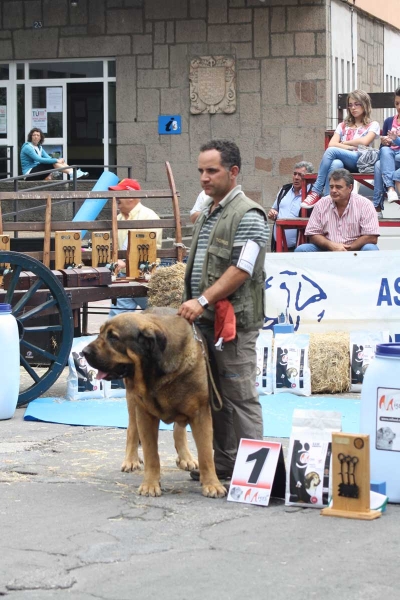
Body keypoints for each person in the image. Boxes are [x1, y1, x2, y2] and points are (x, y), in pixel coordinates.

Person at [178, 139, 269, 481]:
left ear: (233, 172)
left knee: (240, 396)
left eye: (211, 170)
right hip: (205, 324)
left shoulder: (248, 215)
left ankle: (256, 474)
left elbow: (241, 270)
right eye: (201, 170)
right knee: (214, 396)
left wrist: (201, 300)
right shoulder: (209, 212)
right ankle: (225, 462)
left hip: (234, 324)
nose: (204, 177)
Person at [301, 90, 380, 209]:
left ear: (365, 105)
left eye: (357, 104)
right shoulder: (343, 125)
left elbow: (364, 142)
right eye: (350, 105)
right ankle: (328, 201)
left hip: (360, 161)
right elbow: (332, 143)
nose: (353, 108)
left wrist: (344, 143)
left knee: (331, 152)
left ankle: (316, 191)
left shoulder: (373, 124)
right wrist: (349, 147)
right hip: (345, 161)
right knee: (335, 163)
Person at [108, 178, 162, 317]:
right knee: (118, 321)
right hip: (123, 277)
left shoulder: (149, 216)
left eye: (120, 194)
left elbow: (145, 249)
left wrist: (124, 262)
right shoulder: (118, 218)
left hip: (144, 278)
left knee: (155, 318)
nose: (116, 198)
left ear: (131, 196)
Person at [295, 169, 379, 252]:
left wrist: (346, 248)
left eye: (338, 187)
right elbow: (312, 234)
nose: (333, 191)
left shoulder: (365, 204)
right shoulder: (321, 204)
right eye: (331, 187)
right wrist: (331, 246)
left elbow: (371, 236)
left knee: (371, 249)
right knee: (302, 250)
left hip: (356, 250)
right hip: (327, 249)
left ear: (350, 188)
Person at [268, 161, 314, 251]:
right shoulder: (284, 189)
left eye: (300, 175)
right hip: (278, 247)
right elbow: (275, 209)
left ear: (308, 177)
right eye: (294, 174)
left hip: (299, 249)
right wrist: (272, 213)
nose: (296, 177)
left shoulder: (312, 195)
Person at [20, 128, 88, 180]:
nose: (36, 137)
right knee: (53, 162)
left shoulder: (39, 147)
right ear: (30, 137)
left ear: (40, 138)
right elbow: (39, 159)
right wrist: (56, 160)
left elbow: (48, 158)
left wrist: (58, 160)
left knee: (54, 161)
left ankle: (73, 172)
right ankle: (71, 173)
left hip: (37, 172)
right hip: (29, 174)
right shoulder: (27, 147)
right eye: (34, 135)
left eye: (38, 135)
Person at [373, 87, 400, 212]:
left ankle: (377, 206)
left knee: (379, 165)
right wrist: (384, 142)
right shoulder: (389, 121)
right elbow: (382, 149)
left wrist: (396, 140)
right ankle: (390, 189)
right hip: (390, 159)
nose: (399, 107)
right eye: (397, 103)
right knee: (382, 156)